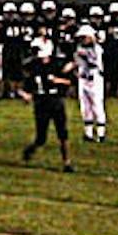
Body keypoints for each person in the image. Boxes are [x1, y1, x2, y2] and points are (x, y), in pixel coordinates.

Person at [19, 35, 75, 171]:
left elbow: (70, 81)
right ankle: (30, 149)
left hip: (56, 101)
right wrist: (25, 95)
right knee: (41, 138)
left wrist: (58, 80)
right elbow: (24, 87)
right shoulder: (32, 66)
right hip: (41, 102)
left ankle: (67, 162)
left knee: (63, 134)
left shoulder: (57, 64)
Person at [72, 24, 108, 143]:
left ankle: (101, 134)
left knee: (97, 105)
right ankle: (88, 133)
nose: (82, 39)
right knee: (85, 107)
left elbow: (92, 62)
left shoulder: (97, 49)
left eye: (84, 37)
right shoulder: (79, 48)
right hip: (83, 79)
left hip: (95, 79)